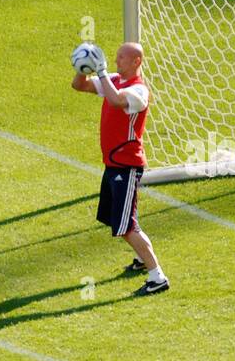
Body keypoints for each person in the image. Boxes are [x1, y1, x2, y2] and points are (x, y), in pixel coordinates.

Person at [71, 42, 169, 295]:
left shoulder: (139, 91)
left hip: (127, 165)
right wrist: (82, 67)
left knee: (126, 226)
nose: (117, 61)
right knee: (116, 218)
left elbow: (115, 101)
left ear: (137, 61)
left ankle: (157, 276)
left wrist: (101, 71)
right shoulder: (115, 79)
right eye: (115, 57)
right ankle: (140, 258)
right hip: (113, 163)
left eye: (122, 58)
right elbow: (79, 86)